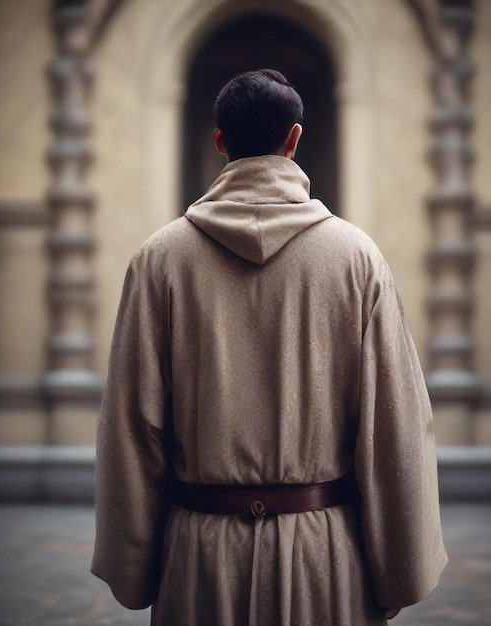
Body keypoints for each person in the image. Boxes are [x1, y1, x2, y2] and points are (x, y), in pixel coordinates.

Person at [91, 68, 447, 625]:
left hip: (200, 564)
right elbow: (394, 425)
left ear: (220, 141)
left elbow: (132, 429)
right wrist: (398, 568)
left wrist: (132, 569)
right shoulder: (357, 258)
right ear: (294, 139)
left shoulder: (159, 260)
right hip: (324, 561)